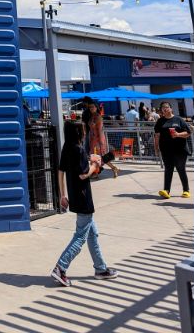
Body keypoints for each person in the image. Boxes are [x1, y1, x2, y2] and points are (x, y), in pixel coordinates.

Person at [50, 119, 119, 287]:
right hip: (83, 197)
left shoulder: (67, 147)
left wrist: (62, 195)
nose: (86, 132)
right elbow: (84, 174)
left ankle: (100, 269)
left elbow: (61, 171)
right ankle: (61, 267)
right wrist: (95, 165)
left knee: (92, 234)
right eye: (83, 130)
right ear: (79, 133)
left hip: (74, 195)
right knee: (80, 236)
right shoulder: (79, 150)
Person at [154, 101, 192, 199]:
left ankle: (186, 190)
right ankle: (166, 191)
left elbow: (188, 133)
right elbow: (157, 136)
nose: (164, 109)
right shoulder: (160, 121)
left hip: (180, 149)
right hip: (166, 150)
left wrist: (178, 135)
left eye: (166, 107)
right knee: (168, 169)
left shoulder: (178, 119)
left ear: (171, 109)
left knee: (181, 169)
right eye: (162, 108)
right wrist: (156, 147)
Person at [82, 104, 120, 179]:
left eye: (93, 107)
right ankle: (113, 168)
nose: (91, 108)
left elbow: (100, 130)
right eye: (90, 107)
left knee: (96, 158)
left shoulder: (98, 117)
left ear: (96, 108)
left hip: (97, 141)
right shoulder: (92, 116)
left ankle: (95, 173)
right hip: (93, 140)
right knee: (101, 158)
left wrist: (101, 143)